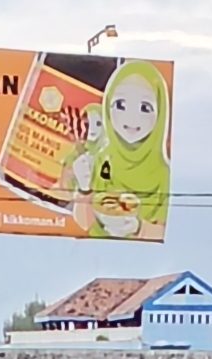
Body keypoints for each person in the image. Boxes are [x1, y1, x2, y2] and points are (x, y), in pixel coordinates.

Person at [74, 60, 170, 240]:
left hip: (138, 259)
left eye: (144, 108)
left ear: (161, 113)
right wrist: (84, 188)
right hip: (95, 253)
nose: (132, 118)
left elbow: (164, 230)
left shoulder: (163, 173)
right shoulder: (103, 158)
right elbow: (84, 223)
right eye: (120, 105)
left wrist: (139, 228)